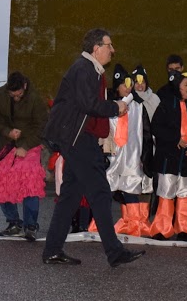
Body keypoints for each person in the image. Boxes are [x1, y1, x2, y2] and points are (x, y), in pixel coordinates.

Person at [40, 28, 143, 269]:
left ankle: (52, 250)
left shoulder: (90, 70)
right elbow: (89, 104)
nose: (113, 50)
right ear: (96, 48)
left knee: (70, 197)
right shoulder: (84, 69)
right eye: (109, 45)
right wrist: (115, 107)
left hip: (77, 139)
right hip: (78, 140)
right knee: (100, 193)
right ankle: (114, 252)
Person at [0, 70, 47, 242]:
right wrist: (7, 132)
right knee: (1, 183)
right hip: (7, 143)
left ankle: (30, 225)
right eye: (12, 94)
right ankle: (14, 223)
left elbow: (42, 126)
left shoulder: (35, 99)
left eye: (18, 94)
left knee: (30, 184)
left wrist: (26, 145)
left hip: (30, 144)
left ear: (24, 86)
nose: (15, 97)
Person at [148, 69, 187, 240]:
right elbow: (156, 127)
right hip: (169, 159)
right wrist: (175, 139)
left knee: (185, 194)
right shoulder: (165, 105)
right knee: (166, 193)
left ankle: (184, 229)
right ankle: (162, 228)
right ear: (177, 87)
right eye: (186, 85)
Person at [104, 65, 154, 238]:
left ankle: (134, 224)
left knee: (131, 188)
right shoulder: (107, 105)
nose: (128, 87)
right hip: (112, 155)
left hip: (132, 156)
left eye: (130, 84)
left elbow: (146, 133)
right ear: (117, 86)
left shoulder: (138, 106)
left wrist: (146, 157)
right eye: (124, 84)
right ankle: (101, 224)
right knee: (105, 189)